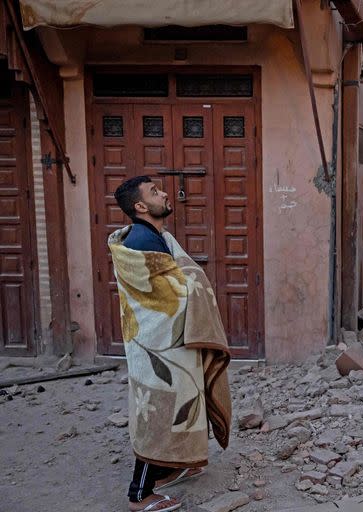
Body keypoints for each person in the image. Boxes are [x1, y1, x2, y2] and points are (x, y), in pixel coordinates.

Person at [111, 176, 232, 512]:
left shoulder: (155, 235)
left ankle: (177, 464)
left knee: (184, 402)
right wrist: (194, 283)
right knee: (161, 412)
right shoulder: (140, 241)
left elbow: (173, 280)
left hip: (171, 342)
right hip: (158, 344)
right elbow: (165, 295)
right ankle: (140, 493)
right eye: (155, 192)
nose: (164, 193)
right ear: (139, 206)